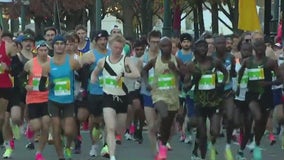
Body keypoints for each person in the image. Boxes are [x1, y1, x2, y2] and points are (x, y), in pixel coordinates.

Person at [90, 35, 140, 160]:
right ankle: (112, 155)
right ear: (110, 46)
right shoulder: (103, 61)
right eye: (115, 47)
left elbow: (137, 74)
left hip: (122, 97)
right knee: (111, 127)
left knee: (119, 129)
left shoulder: (126, 60)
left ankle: (107, 139)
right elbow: (95, 72)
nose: (117, 50)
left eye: (120, 48)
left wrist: (124, 74)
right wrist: (93, 79)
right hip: (108, 97)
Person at [237, 39, 280, 160]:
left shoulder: (270, 62)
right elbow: (240, 74)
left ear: (265, 47)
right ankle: (242, 149)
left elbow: (280, 79)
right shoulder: (247, 61)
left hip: (266, 95)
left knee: (261, 124)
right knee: (257, 117)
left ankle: (256, 144)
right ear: (253, 48)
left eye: (261, 46)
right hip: (251, 95)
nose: (259, 48)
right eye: (257, 46)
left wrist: (268, 83)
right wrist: (239, 86)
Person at [39, 35, 81, 160]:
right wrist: (48, 86)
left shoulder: (72, 61)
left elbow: (83, 75)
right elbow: (41, 87)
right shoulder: (47, 65)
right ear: (53, 46)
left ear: (64, 45)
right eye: (56, 43)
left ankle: (68, 146)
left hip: (69, 100)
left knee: (68, 131)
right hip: (53, 101)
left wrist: (81, 89)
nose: (59, 45)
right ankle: (60, 156)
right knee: (56, 129)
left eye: (61, 43)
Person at [142, 37, 184, 159]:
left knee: (168, 123)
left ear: (172, 47)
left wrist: (175, 69)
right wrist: (146, 83)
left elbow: (184, 75)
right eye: (164, 46)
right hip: (158, 95)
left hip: (173, 96)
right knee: (164, 114)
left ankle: (163, 144)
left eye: (168, 46)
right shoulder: (155, 60)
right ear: (160, 48)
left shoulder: (176, 60)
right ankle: (161, 138)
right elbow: (144, 71)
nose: (166, 48)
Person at [185, 39, 227, 160]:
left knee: (214, 132)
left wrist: (222, 83)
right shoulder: (191, 65)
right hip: (200, 102)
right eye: (200, 47)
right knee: (202, 133)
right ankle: (199, 154)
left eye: (205, 46)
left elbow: (225, 72)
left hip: (214, 102)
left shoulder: (215, 62)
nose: (203, 49)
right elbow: (186, 86)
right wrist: (194, 80)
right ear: (195, 49)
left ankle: (205, 146)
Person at [81, 30, 111, 157]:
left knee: (107, 119)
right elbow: (80, 71)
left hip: (109, 91)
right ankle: (94, 145)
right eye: (100, 40)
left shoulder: (112, 53)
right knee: (94, 120)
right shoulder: (89, 55)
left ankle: (106, 146)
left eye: (105, 39)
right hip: (94, 91)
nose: (103, 42)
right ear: (95, 41)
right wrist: (86, 67)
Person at [24, 41, 50, 160]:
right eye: (41, 50)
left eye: (45, 50)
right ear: (37, 51)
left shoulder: (52, 62)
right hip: (33, 98)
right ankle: (30, 128)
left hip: (47, 98)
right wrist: (26, 85)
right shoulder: (30, 64)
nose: (44, 53)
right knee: (36, 126)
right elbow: (21, 78)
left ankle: (39, 152)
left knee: (45, 125)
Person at [140, 30, 161, 154]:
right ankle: (156, 151)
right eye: (153, 42)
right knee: (151, 125)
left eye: (158, 42)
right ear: (148, 42)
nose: (155, 44)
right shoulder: (144, 57)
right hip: (147, 93)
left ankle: (161, 138)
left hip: (162, 93)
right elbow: (141, 73)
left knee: (161, 121)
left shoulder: (164, 56)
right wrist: (146, 83)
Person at [0, 25, 18, 159]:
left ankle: (7, 145)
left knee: (2, 118)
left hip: (4, 86)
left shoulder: (8, 46)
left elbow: (18, 67)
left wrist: (8, 67)